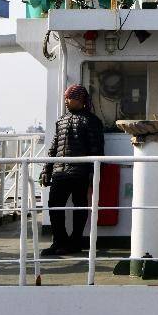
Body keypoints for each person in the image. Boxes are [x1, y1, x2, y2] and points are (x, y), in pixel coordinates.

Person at [40, 85, 105, 256]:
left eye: (69, 98)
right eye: (66, 98)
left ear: (79, 100)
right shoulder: (64, 120)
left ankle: (72, 242)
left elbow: (96, 150)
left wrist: (94, 174)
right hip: (64, 171)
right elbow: (54, 147)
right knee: (57, 205)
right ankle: (61, 241)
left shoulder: (90, 121)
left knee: (76, 206)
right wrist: (46, 169)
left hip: (77, 172)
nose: (66, 101)